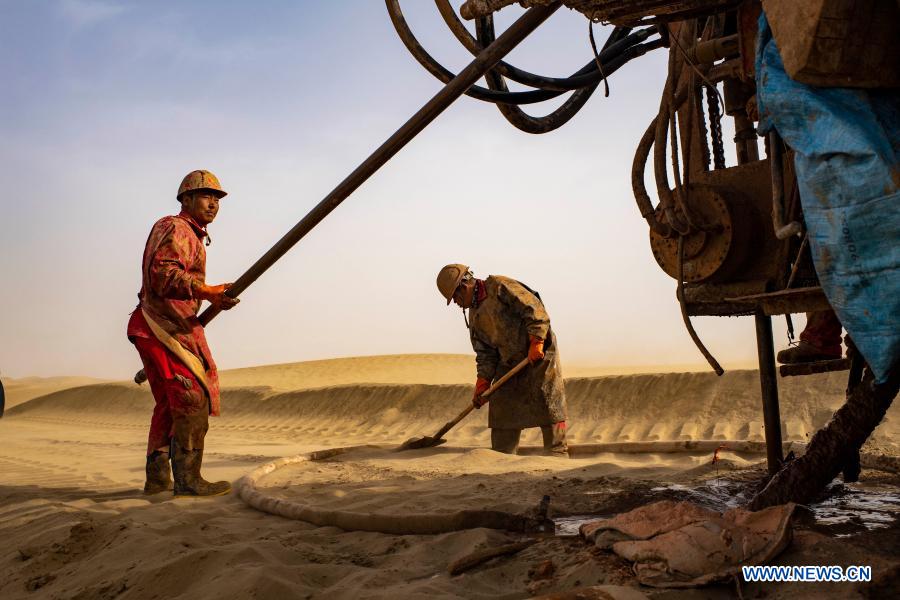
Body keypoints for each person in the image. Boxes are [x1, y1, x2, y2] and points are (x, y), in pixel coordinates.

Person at [127, 170, 239, 496]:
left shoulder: (191, 234)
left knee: (168, 402)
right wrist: (207, 291)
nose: (213, 203)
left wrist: (210, 296)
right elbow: (163, 274)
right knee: (192, 398)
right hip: (161, 326)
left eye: (217, 198)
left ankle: (157, 479)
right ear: (186, 199)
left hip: (161, 325)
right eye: (206, 196)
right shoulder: (175, 227)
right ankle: (189, 481)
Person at [436, 264, 568, 456]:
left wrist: (537, 341)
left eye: (454, 298)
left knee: (549, 405)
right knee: (502, 411)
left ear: (463, 287)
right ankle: (502, 456)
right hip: (508, 363)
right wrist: (482, 383)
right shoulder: (474, 316)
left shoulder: (499, 286)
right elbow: (486, 354)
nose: (455, 303)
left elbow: (535, 309)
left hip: (538, 354)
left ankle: (557, 453)